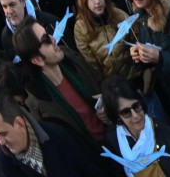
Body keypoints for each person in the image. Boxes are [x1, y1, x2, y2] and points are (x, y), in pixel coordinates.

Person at [12, 16, 106, 153]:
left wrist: (108, 103)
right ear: (37, 60)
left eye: (48, 33)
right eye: (46, 39)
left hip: (116, 136)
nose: (53, 39)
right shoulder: (38, 104)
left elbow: (103, 82)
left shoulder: (70, 57)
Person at [0, 82, 97, 177]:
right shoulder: (4, 162)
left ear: (20, 123)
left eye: (3, 133)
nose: (1, 142)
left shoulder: (57, 135)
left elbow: (88, 170)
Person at [101, 75, 170, 177]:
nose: (135, 115)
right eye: (126, 112)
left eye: (136, 106)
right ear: (117, 116)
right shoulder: (113, 139)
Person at [74, 0, 138, 80]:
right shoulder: (81, 28)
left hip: (135, 77)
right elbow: (92, 67)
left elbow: (137, 42)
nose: (97, 1)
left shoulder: (119, 15)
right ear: (83, 0)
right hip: (111, 84)